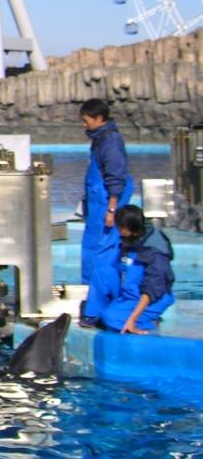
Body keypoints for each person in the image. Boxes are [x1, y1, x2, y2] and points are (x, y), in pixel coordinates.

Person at [82, 204, 175, 333]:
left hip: (149, 298)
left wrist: (132, 319)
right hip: (130, 291)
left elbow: (152, 289)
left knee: (111, 318)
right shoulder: (130, 238)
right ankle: (94, 315)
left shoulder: (155, 252)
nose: (116, 229)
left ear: (127, 227)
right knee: (101, 272)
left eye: (119, 226)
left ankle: (146, 321)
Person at [78, 98, 133, 297]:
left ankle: (102, 294)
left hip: (107, 204)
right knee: (92, 248)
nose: (84, 125)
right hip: (97, 205)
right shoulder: (99, 139)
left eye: (87, 120)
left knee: (104, 250)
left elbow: (115, 177)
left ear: (99, 118)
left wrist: (112, 209)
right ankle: (91, 290)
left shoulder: (110, 142)